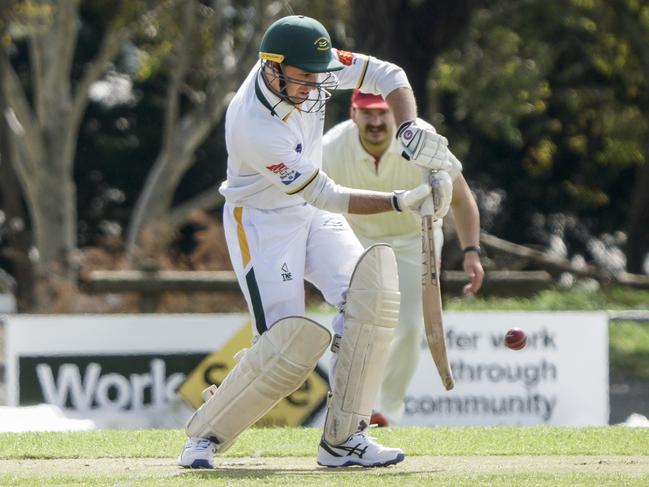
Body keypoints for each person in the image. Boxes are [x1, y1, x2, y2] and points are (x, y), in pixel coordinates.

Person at [177, 15, 454, 469]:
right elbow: (329, 194)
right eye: (304, 78)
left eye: (319, 74)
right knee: (286, 346)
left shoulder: (312, 64)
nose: (316, 86)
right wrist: (405, 202)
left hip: (309, 213)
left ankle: (344, 441)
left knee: (371, 297)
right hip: (262, 224)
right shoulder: (253, 125)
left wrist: (409, 127)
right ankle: (203, 438)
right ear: (272, 69)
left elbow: (390, 75)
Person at [323, 91, 484, 426]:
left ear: (395, 113)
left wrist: (472, 251)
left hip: (415, 239)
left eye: (383, 113)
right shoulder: (330, 149)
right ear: (354, 114)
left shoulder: (423, 141)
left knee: (410, 327)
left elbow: (462, 197)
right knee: (359, 326)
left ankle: (389, 411)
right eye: (368, 114)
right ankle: (352, 409)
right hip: (358, 237)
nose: (377, 122)